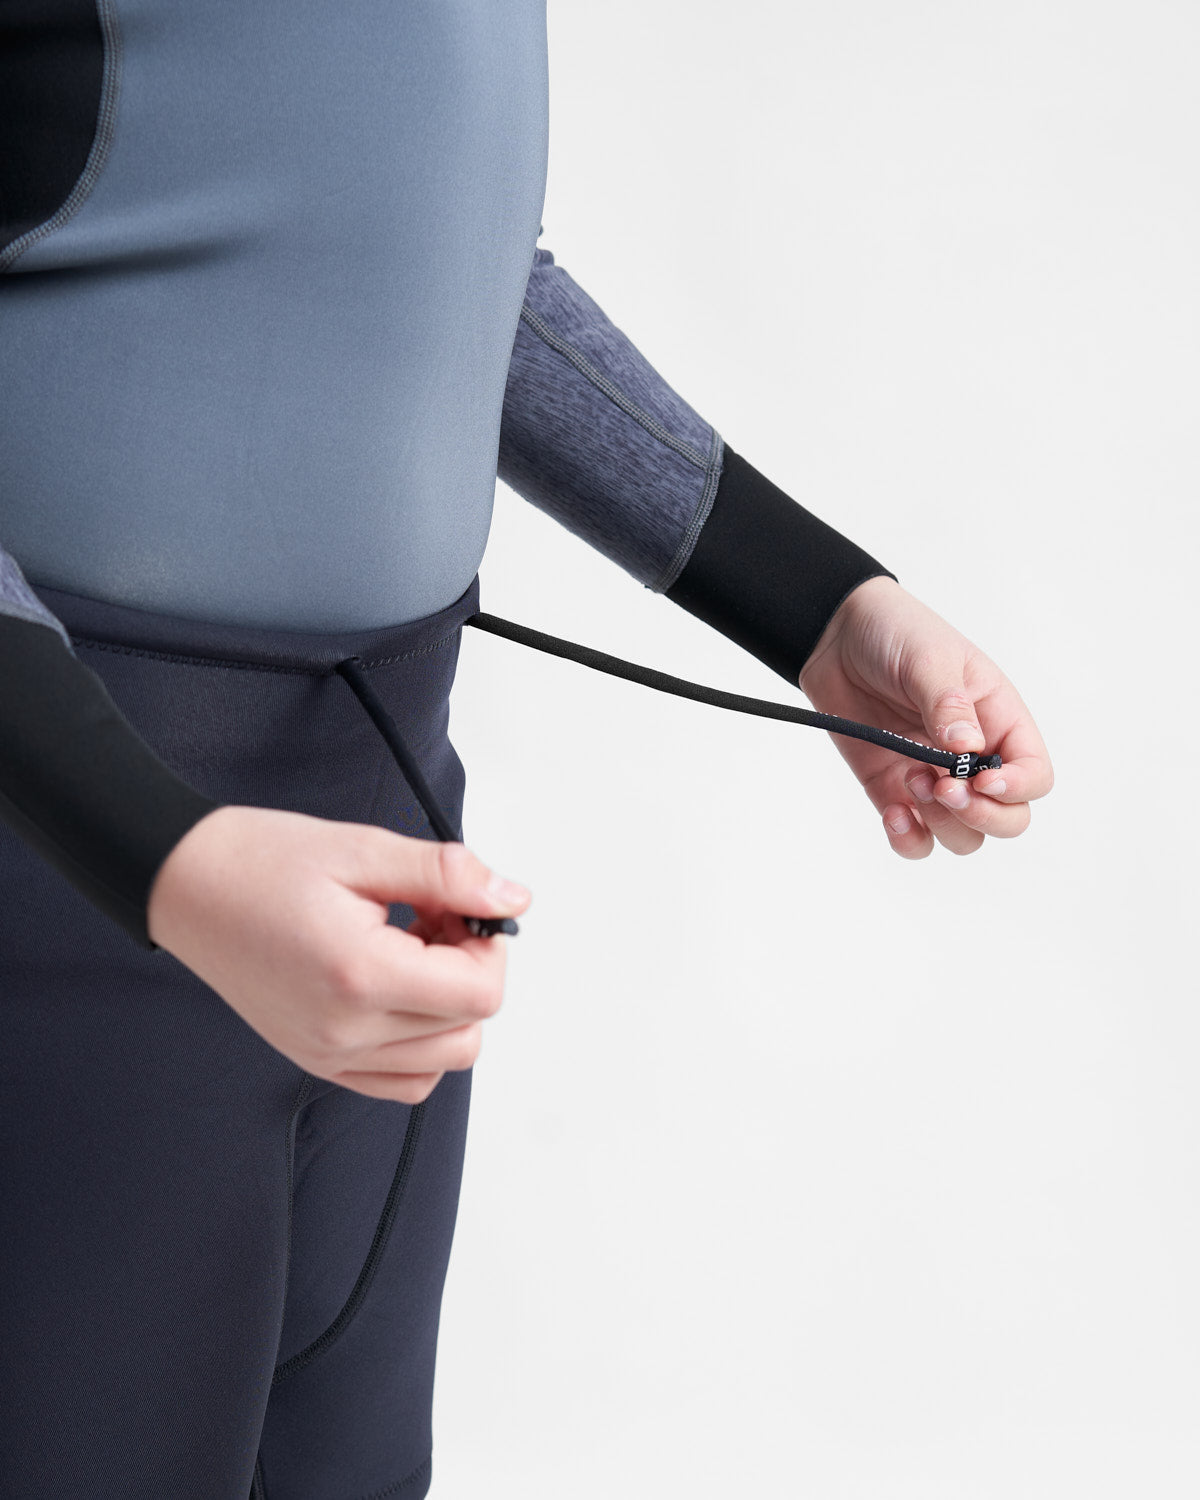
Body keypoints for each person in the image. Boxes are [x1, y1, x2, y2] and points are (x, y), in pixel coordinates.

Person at [0, 3, 1052, 1497]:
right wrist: (161, 856)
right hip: (68, 869)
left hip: (386, 834)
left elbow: (442, 258)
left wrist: (819, 605)